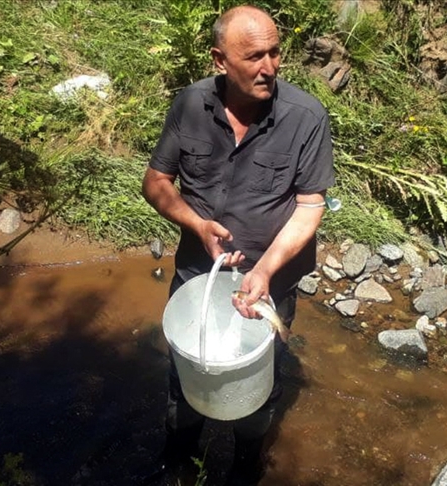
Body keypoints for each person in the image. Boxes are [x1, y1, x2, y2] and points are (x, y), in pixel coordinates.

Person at [141, 4, 334, 484]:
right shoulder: (189, 104)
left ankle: (245, 467)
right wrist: (196, 223)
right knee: (186, 370)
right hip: (197, 274)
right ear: (219, 60)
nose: (269, 67)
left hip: (270, 282)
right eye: (254, 57)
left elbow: (310, 207)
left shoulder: (305, 117)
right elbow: (156, 182)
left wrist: (265, 270)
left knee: (258, 380)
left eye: (275, 53)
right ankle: (178, 458)